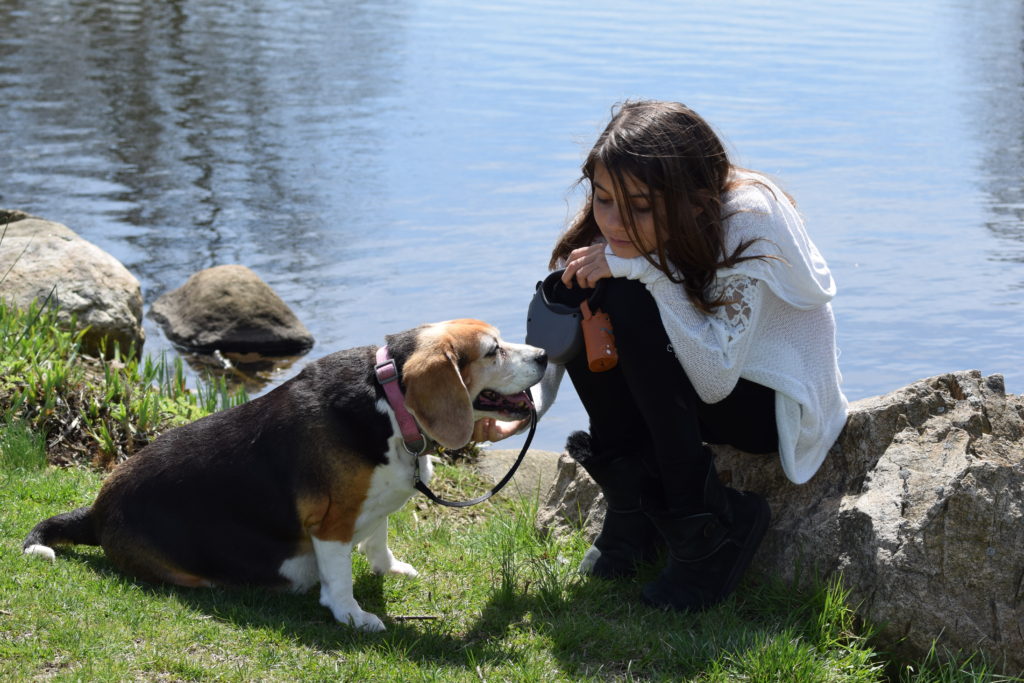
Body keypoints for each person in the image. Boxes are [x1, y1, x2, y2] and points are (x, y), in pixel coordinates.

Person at [473, 99, 848, 612]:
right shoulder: (622, 218)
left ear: (694, 202)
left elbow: (715, 377)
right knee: (594, 289)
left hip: (765, 406)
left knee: (627, 294)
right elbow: (567, 326)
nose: (614, 220)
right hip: (693, 385)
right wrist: (525, 407)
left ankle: (708, 526)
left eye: (641, 207)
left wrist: (643, 271)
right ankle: (634, 511)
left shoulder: (749, 220)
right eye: (602, 198)